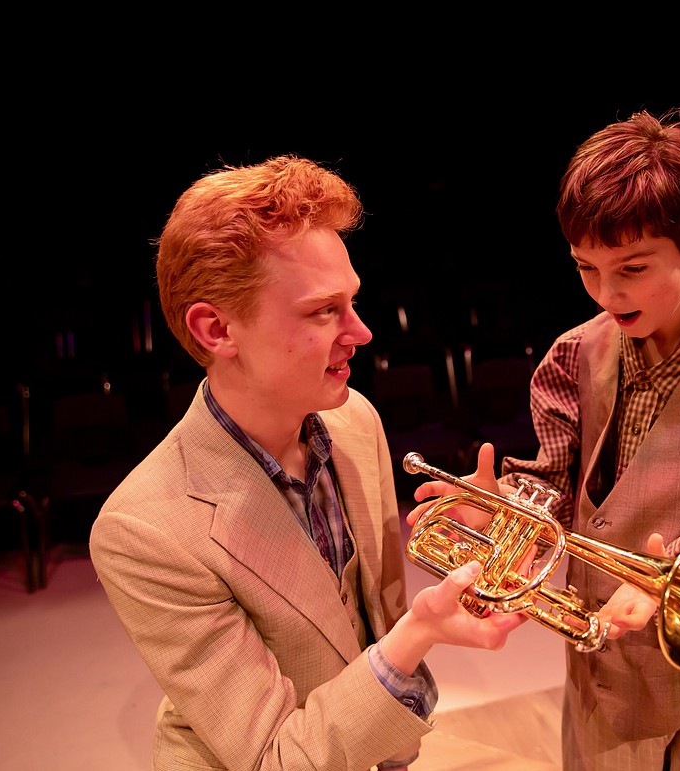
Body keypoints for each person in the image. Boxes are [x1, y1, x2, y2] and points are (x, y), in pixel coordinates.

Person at [410, 109, 680, 770]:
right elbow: (555, 487)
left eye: (631, 268)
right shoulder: (572, 356)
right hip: (603, 678)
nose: (607, 293)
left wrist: (671, 575)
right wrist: (502, 514)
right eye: (586, 268)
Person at [89, 154, 526, 771]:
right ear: (216, 330)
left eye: (351, 302)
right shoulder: (145, 529)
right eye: (324, 311)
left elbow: (366, 629)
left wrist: (470, 562)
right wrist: (418, 634)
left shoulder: (354, 422)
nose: (362, 332)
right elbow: (274, 757)